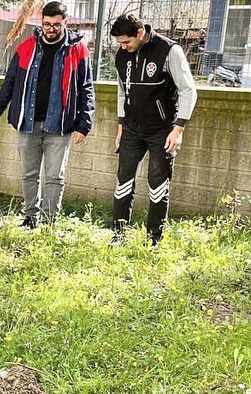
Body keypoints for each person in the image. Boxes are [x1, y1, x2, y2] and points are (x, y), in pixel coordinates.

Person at [0, 1, 95, 228]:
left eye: (56, 25)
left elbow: (86, 87)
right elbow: (9, 83)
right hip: (28, 122)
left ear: (65, 23)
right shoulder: (26, 46)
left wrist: (84, 123)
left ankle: (48, 222)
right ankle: (30, 217)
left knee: (55, 177)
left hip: (59, 124)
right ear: (42, 22)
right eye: (47, 24)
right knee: (29, 174)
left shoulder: (78, 49)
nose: (51, 29)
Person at [110, 14, 197, 245]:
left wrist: (178, 129)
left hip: (162, 131)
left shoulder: (169, 50)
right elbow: (122, 91)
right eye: (119, 43)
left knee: (157, 187)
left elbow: (188, 90)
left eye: (126, 42)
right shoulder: (123, 54)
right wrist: (120, 125)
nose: (123, 47)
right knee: (123, 183)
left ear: (140, 33)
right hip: (131, 129)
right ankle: (118, 236)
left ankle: (153, 241)